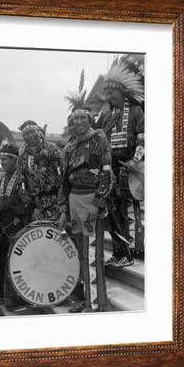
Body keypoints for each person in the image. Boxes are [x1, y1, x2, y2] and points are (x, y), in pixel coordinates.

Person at [57, 108, 113, 313]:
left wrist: (98, 204)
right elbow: (64, 182)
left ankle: (96, 303)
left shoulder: (99, 140)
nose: (79, 121)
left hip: (91, 202)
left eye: (83, 118)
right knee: (80, 252)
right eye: (75, 118)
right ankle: (87, 298)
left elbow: (107, 174)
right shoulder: (70, 146)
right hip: (74, 203)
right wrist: (63, 210)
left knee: (92, 253)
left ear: (90, 119)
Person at [98, 60, 145, 267]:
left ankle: (128, 253)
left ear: (122, 92)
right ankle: (118, 252)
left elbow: (143, 137)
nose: (109, 97)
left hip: (129, 167)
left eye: (112, 93)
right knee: (111, 212)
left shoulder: (135, 111)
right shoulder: (108, 115)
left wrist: (135, 160)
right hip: (111, 169)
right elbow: (100, 141)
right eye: (107, 94)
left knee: (123, 212)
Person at [0, 143, 28, 307]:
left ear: (13, 160)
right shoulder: (2, 179)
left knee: (16, 260)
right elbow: (0, 201)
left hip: (17, 224)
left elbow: (25, 202)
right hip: (3, 225)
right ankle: (3, 294)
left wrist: (15, 212)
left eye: (4, 159)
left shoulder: (21, 178)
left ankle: (17, 297)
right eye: (1, 159)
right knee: (2, 260)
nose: (1, 162)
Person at [17, 120, 62, 221]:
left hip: (54, 201)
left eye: (32, 132)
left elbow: (61, 174)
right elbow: (20, 180)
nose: (30, 135)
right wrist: (24, 196)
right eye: (26, 134)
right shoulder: (22, 156)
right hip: (34, 206)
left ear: (38, 132)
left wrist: (62, 201)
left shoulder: (52, 149)